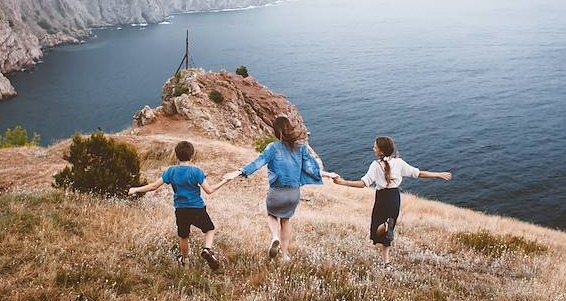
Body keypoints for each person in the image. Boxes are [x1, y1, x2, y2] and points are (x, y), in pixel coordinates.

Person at [331, 136, 452, 267]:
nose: (373, 148)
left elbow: (363, 183)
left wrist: (342, 182)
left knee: (376, 230)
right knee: (387, 233)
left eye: (375, 147)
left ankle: (385, 228)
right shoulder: (399, 163)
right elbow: (418, 173)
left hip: (382, 199)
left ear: (381, 152)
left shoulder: (375, 165)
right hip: (394, 198)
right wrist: (438, 174)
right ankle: (386, 261)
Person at [224, 115, 323, 262]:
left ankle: (275, 236)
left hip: (277, 192)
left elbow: (258, 163)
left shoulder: (272, 148)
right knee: (286, 220)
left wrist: (239, 172)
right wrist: (324, 175)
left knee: (271, 215)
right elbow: (310, 167)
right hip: (294, 193)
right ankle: (284, 255)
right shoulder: (300, 147)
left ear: (276, 132)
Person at [129, 140, 230, 270]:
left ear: (176, 155)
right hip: (197, 208)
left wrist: (136, 189)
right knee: (210, 229)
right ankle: (207, 249)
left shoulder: (170, 171)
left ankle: (185, 262)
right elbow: (209, 190)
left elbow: (154, 186)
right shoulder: (197, 172)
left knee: (184, 235)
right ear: (192, 155)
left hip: (180, 209)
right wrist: (224, 181)